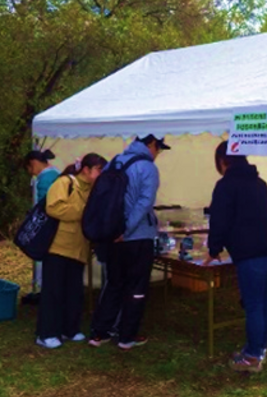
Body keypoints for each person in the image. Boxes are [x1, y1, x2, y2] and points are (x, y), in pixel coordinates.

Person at [203, 141, 267, 372]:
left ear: (222, 161)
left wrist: (213, 249)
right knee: (266, 302)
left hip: (251, 255)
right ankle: (259, 348)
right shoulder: (260, 183)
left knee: (254, 305)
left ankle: (252, 357)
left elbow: (219, 220)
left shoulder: (225, 185)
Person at [89, 134, 170, 350]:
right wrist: (127, 229)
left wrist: (115, 229)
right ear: (151, 144)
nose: (158, 153)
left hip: (112, 235)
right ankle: (127, 336)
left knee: (114, 283)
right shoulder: (148, 168)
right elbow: (145, 202)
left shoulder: (115, 161)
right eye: (158, 148)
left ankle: (100, 332)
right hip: (137, 236)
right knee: (136, 286)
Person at [36, 153, 108, 349]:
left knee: (74, 292)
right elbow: (54, 208)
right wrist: (85, 212)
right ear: (86, 169)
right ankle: (46, 333)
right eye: (99, 169)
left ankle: (70, 329)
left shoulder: (93, 189)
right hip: (58, 246)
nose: (102, 174)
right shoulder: (65, 182)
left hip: (79, 248)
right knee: (53, 291)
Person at [23, 149, 60, 302]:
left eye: (30, 168)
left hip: (47, 224)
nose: (31, 173)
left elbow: (43, 204)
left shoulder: (44, 178)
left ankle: (45, 291)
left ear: (33, 164)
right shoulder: (57, 173)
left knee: (44, 259)